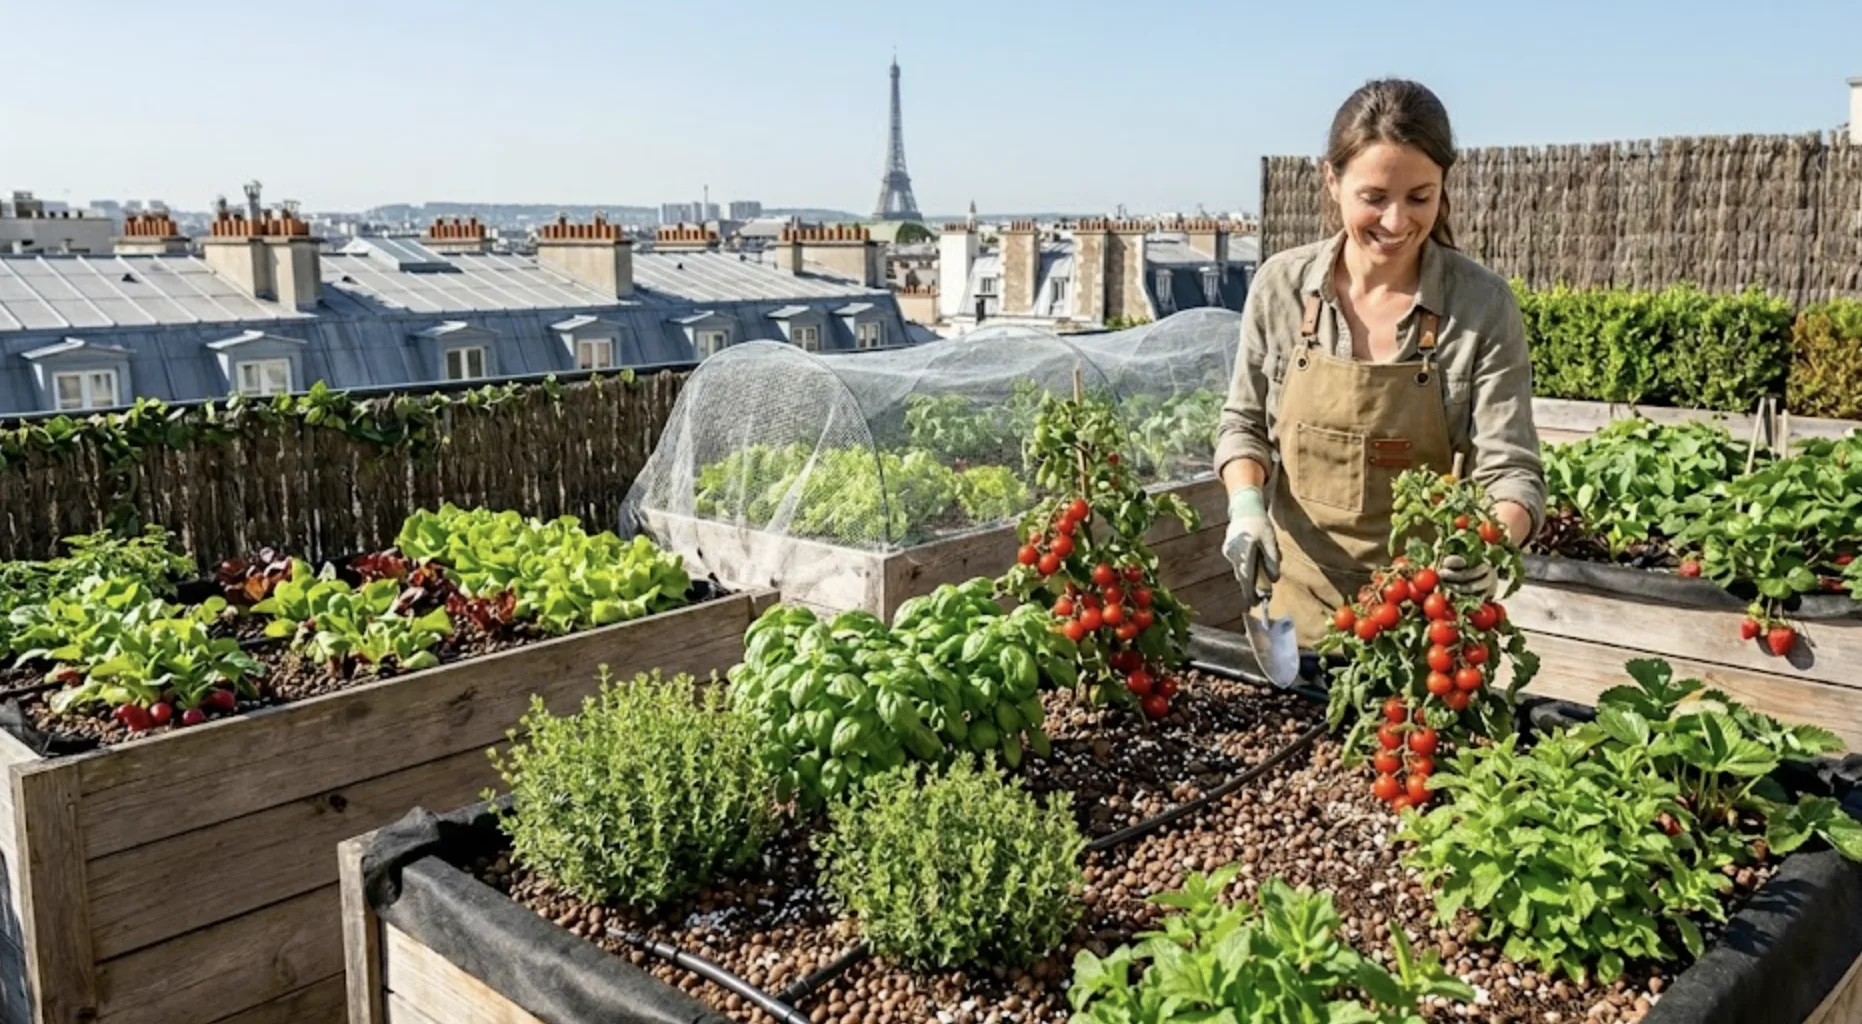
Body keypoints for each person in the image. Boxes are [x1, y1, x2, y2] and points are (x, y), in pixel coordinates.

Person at [1215, 78, 1546, 648]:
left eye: (1419, 197)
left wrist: (1492, 545)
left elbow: (1511, 471)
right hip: (1297, 613)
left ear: (1443, 187)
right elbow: (1243, 425)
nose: (1396, 223)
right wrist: (1246, 506)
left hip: (1422, 623)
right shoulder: (1281, 288)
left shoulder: (1481, 307)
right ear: (1332, 180)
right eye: (1374, 197)